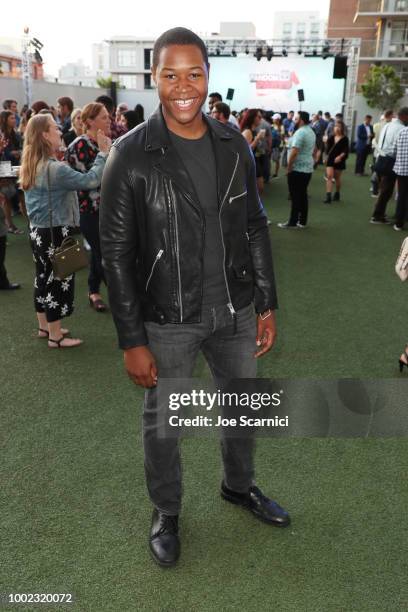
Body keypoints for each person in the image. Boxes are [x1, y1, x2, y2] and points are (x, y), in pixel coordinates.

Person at [100, 26, 290, 568]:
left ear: (209, 76)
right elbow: (115, 254)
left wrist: (266, 302)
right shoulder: (131, 155)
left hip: (235, 309)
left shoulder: (235, 145)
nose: (183, 86)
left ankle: (238, 486)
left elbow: (254, 226)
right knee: (165, 423)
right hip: (169, 318)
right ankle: (167, 510)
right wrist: (132, 339)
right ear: (155, 78)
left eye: (194, 73)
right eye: (170, 74)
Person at [20, 113, 111, 347]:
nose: (61, 131)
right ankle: (56, 336)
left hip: (38, 231)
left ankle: (45, 327)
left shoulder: (34, 163)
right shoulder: (54, 169)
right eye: (55, 128)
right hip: (55, 232)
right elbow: (90, 180)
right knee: (58, 281)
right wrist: (103, 153)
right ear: (44, 135)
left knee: (43, 277)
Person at [66, 103, 111, 312]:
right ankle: (121, 296)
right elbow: (89, 181)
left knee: (98, 252)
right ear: (90, 121)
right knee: (104, 253)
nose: (109, 119)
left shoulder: (107, 142)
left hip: (110, 209)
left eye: (108, 116)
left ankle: (93, 292)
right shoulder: (79, 145)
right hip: (89, 210)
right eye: (103, 117)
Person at [278, 111, 316, 229]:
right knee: (302, 195)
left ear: (301, 121)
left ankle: (293, 222)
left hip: (298, 168)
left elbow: (294, 151)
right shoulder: (310, 131)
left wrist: (289, 167)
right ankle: (302, 221)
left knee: (295, 196)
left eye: (296, 119)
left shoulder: (300, 132)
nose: (294, 120)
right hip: (307, 168)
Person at [370, 107, 408, 224]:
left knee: (384, 189)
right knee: (387, 190)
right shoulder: (401, 129)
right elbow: (397, 148)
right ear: (405, 116)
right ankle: (377, 215)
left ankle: (380, 214)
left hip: (381, 158)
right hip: (391, 160)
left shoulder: (387, 125)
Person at [240, 108, 267, 194]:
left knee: (259, 189)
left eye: (261, 117)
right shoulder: (248, 131)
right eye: (259, 117)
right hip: (249, 163)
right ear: (252, 117)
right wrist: (257, 138)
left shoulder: (254, 130)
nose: (261, 119)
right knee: (257, 189)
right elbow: (246, 151)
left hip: (255, 161)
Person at [323, 120, 349, 203]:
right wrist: (325, 157)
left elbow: (346, 150)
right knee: (329, 176)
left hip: (339, 160)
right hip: (330, 159)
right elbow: (327, 149)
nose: (337, 128)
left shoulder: (345, 139)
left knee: (337, 178)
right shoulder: (331, 137)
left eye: (339, 126)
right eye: (335, 126)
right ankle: (328, 196)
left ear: (342, 128)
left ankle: (337, 193)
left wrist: (340, 157)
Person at [392, 125, 408, 231]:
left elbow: (394, 151)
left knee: (402, 196)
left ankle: (399, 223)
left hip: (402, 170)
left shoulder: (401, 132)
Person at [271, 113, 284, 178]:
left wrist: (278, 132)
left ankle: (276, 173)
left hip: (278, 145)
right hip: (271, 144)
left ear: (278, 119)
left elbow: (282, 137)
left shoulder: (281, 127)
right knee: (270, 159)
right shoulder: (272, 126)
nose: (272, 119)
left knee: (276, 159)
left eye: (274, 118)